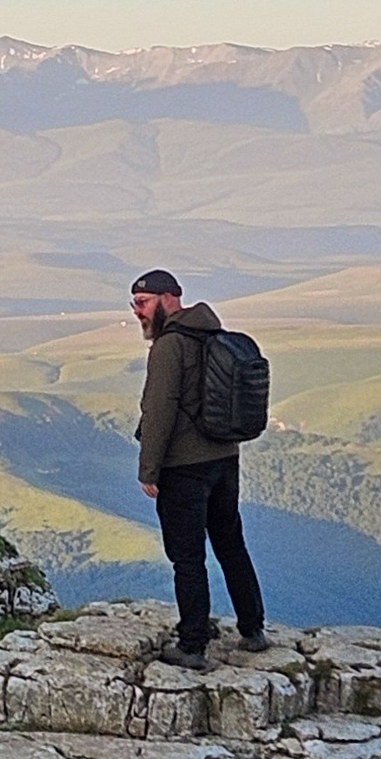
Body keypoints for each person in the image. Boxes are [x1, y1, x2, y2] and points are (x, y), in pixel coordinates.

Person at [129, 268, 268, 668]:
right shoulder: (213, 334)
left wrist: (149, 469)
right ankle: (253, 628)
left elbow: (158, 409)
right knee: (230, 544)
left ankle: (192, 645)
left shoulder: (170, 345)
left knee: (187, 557)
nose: (138, 312)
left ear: (168, 298)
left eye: (142, 303)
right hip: (225, 459)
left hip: (185, 467)